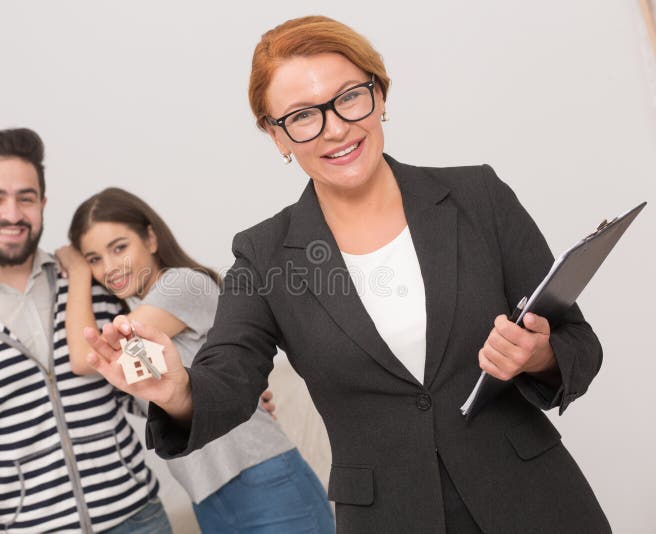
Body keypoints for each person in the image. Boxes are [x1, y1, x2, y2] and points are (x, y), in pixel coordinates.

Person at [83, 16, 612, 534]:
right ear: (276, 136)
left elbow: (577, 342)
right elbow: (230, 375)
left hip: (534, 500)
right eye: (302, 116)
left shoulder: (479, 197)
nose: (336, 127)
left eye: (349, 97)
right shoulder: (264, 255)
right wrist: (178, 393)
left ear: (379, 95)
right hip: (389, 516)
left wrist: (540, 356)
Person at [0, 128, 171, 534]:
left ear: (42, 205)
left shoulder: (92, 286)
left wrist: (220, 396)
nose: (12, 213)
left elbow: (146, 390)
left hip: (137, 516)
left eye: (25, 198)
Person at [55, 187, 334, 533]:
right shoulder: (141, 322)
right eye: (94, 258)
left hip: (264, 480)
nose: (109, 267)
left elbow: (85, 358)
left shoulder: (182, 285)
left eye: (119, 248)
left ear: (151, 239)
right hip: (209, 500)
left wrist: (78, 272)